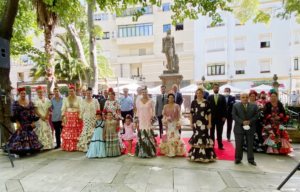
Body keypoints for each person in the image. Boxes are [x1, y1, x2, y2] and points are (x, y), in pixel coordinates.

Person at [8, 87, 43, 158]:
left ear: (26, 94)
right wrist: (17, 122)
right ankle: (21, 150)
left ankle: (30, 149)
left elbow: (32, 112)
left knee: (30, 135)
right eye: (22, 93)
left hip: (28, 122)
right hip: (21, 122)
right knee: (20, 136)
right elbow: (15, 114)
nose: (23, 95)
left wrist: (33, 121)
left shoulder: (30, 102)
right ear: (19, 94)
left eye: (24, 93)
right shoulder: (15, 103)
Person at [188, 87, 217, 162]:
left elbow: (209, 113)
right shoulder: (194, 102)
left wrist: (210, 123)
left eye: (200, 93)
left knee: (204, 136)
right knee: (197, 136)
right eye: (197, 93)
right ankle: (196, 155)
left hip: (204, 123)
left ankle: (204, 155)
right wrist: (191, 123)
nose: (198, 94)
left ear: (203, 94)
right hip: (196, 123)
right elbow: (191, 113)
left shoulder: (206, 102)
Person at [262, 89, 292, 154]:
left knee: (280, 135)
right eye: (272, 96)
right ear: (270, 97)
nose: (273, 98)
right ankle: (272, 150)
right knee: (272, 135)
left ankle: (280, 150)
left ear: (276, 97)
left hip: (279, 123)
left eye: (274, 96)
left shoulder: (279, 104)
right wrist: (270, 117)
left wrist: (280, 116)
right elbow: (264, 113)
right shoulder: (267, 104)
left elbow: (283, 112)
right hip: (270, 123)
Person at [232, 93, 258, 166]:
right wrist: (242, 122)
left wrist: (250, 122)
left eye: (246, 97)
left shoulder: (254, 106)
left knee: (250, 144)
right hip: (239, 128)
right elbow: (234, 115)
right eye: (243, 97)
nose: (245, 98)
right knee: (239, 144)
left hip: (250, 128)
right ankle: (238, 159)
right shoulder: (235, 106)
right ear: (240, 98)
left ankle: (251, 159)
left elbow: (256, 115)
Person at [159, 90, 186, 157]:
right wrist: (166, 118)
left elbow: (179, 115)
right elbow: (163, 114)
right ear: (168, 98)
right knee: (169, 137)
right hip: (168, 124)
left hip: (175, 123)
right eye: (169, 98)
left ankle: (176, 151)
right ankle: (170, 151)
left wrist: (179, 123)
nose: (171, 99)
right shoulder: (165, 106)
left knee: (175, 136)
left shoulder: (176, 106)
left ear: (174, 99)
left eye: (172, 98)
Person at [135, 85, 157, 158]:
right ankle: (142, 152)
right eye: (143, 92)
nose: (144, 93)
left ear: (147, 92)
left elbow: (153, 110)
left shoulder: (151, 101)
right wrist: (136, 119)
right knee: (142, 134)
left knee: (148, 133)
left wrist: (153, 119)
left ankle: (149, 151)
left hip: (148, 119)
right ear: (141, 93)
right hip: (141, 120)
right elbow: (137, 111)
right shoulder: (139, 101)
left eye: (145, 92)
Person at [102, 88, 126, 153]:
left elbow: (119, 112)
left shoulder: (117, 102)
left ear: (114, 95)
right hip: (108, 120)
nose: (110, 96)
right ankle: (109, 150)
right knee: (109, 133)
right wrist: (103, 118)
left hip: (115, 120)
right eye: (109, 94)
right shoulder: (106, 102)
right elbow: (104, 111)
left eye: (112, 94)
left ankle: (117, 148)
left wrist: (118, 121)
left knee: (116, 133)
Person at [77, 87, 100, 152]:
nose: (88, 94)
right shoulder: (83, 101)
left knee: (93, 131)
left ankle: (94, 146)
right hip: (86, 118)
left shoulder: (95, 101)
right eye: (87, 93)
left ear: (92, 93)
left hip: (93, 118)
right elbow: (81, 110)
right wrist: (80, 117)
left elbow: (98, 110)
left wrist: (98, 118)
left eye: (89, 93)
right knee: (86, 130)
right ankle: (86, 146)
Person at [61, 85, 83, 151]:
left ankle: (77, 146)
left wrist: (80, 117)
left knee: (76, 131)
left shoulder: (79, 99)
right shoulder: (65, 99)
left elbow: (81, 108)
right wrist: (62, 115)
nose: (71, 92)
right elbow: (63, 108)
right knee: (68, 131)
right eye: (69, 91)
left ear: (75, 91)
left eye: (72, 91)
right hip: (68, 117)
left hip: (76, 116)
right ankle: (68, 146)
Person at [207, 84, 227, 150]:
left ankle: (220, 145)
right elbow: (207, 107)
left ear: (218, 89)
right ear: (213, 89)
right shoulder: (209, 97)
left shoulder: (222, 97)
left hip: (220, 117)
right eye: (214, 88)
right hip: (211, 118)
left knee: (219, 132)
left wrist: (224, 116)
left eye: (217, 88)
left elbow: (225, 107)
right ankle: (212, 144)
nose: (215, 89)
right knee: (211, 132)